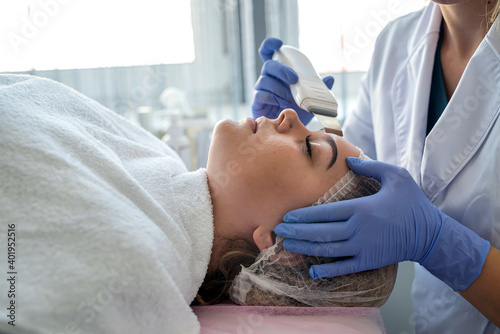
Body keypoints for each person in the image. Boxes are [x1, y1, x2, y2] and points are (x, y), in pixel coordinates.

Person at [0, 75, 393, 334]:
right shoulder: (156, 157)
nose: (290, 115)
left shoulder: (130, 269)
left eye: (310, 147)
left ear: (278, 239)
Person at [251, 0, 500, 332]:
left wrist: (439, 243)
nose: (287, 119)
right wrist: (284, 145)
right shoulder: (396, 42)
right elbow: (350, 173)